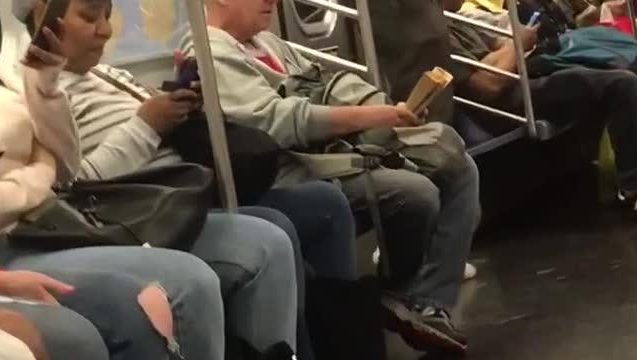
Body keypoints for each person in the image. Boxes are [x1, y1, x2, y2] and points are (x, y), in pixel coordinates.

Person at [13, 1, 351, 359]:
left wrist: (183, 108)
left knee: (321, 204)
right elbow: (71, 185)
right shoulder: (36, 94)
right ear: (43, 21)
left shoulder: (110, 75)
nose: (106, 30)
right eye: (89, 17)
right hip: (133, 212)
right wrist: (147, 125)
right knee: (268, 238)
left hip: (185, 191)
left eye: (108, 17)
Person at [178, 0, 481, 354]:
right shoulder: (208, 50)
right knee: (413, 192)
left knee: (457, 164)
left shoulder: (269, 44)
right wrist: (370, 117)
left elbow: (325, 83)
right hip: (297, 167)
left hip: (338, 150)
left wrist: (388, 109)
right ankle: (395, 294)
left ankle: (428, 302)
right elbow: (279, 121)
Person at [443, 0, 637, 207]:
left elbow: (500, 48)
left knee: (619, 64)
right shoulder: (440, 37)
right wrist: (515, 47)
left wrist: (503, 55)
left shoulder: (455, 23)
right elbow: (489, 86)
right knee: (621, 83)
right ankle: (633, 189)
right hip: (510, 102)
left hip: (525, 76)